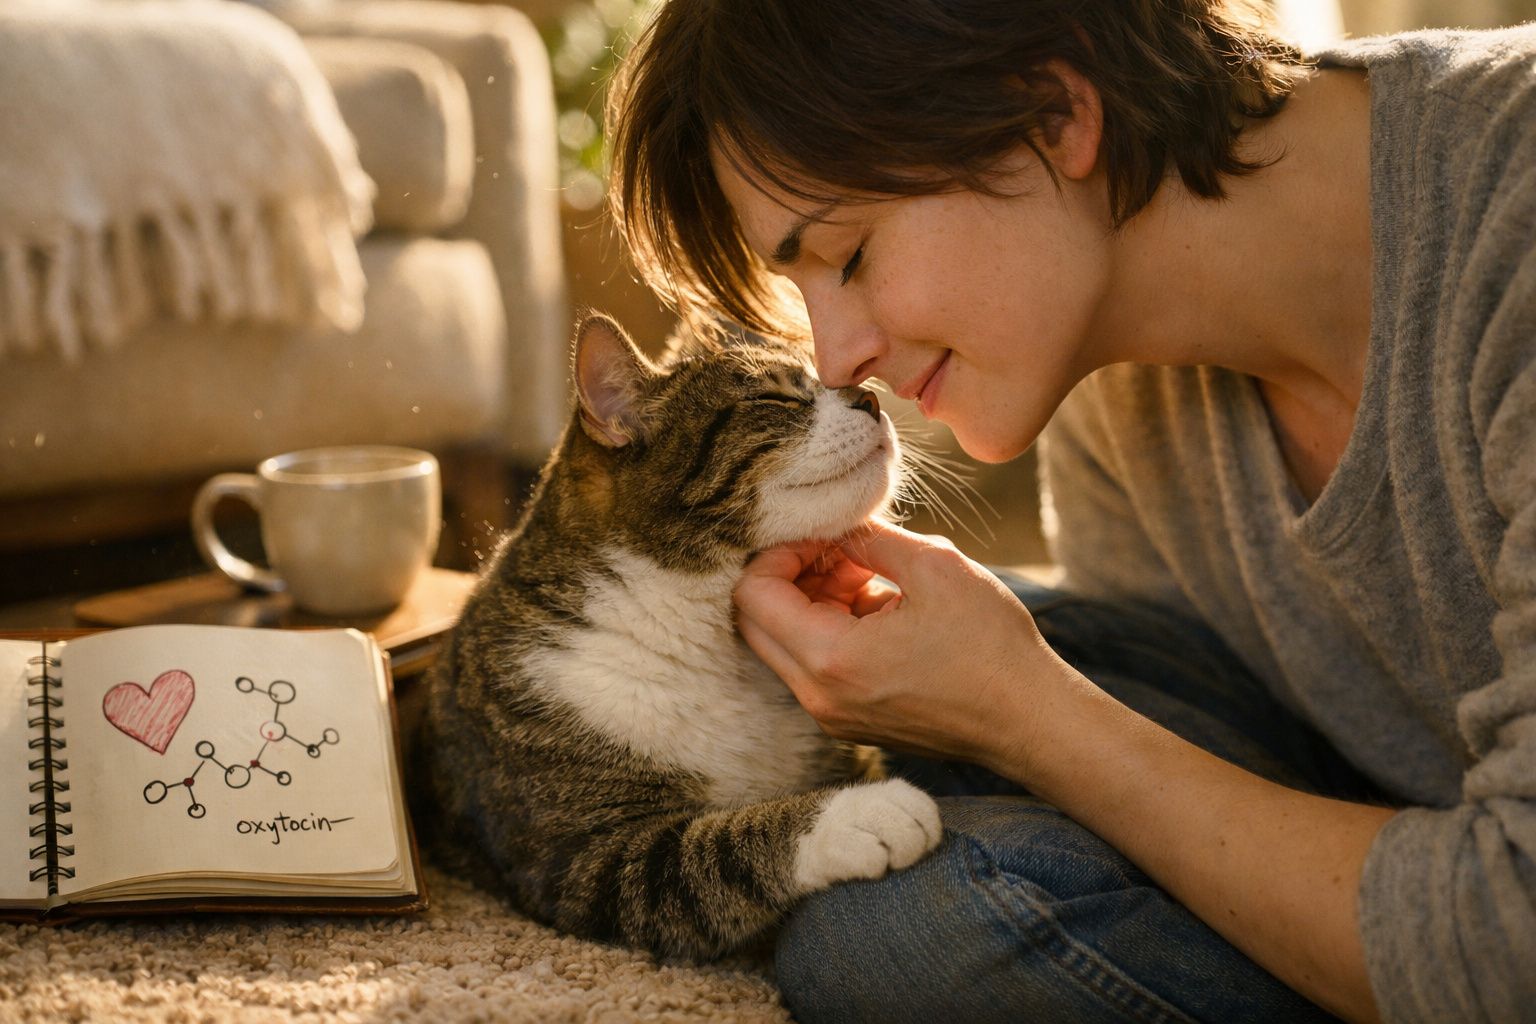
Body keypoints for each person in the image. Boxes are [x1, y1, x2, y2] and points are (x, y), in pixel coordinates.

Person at [604, 1, 1536, 1021]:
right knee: (897, 734)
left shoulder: (1509, 221)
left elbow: (1514, 933)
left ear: (1052, 113)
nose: (836, 362)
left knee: (901, 933)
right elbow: (1172, 777)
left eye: (853, 254)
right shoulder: (1108, 369)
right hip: (1370, 810)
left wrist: (1022, 709)